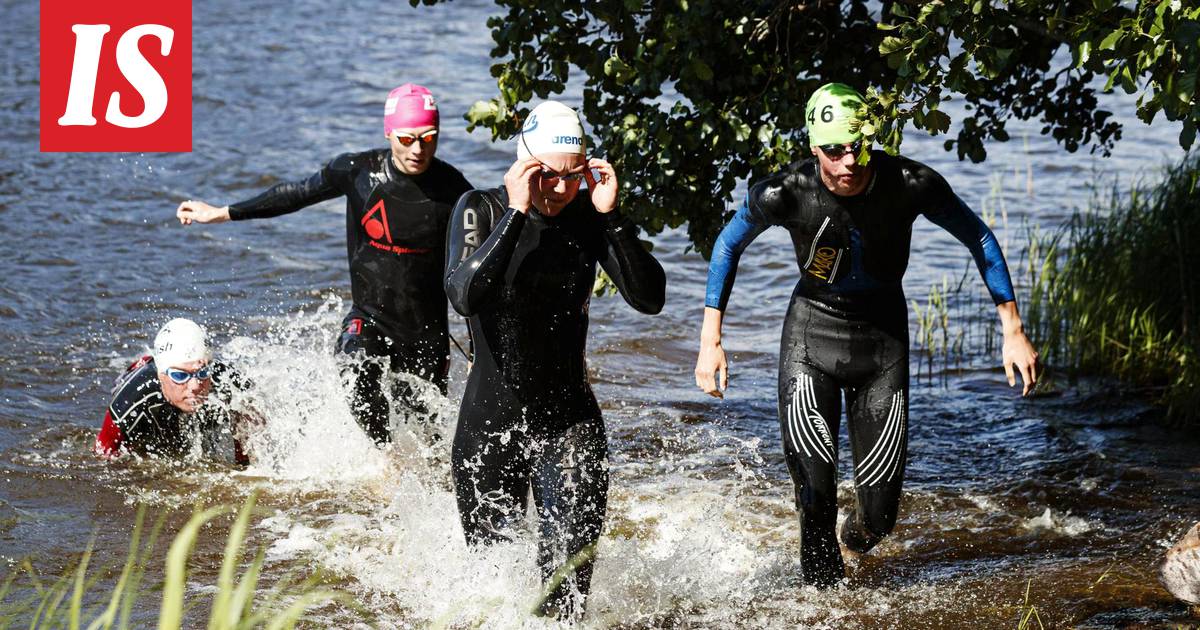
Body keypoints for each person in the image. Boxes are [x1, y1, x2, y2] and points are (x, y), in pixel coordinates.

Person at [694, 83, 1040, 587]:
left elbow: (979, 236)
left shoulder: (911, 184)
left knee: (879, 516)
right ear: (814, 149)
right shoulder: (784, 192)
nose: (849, 160)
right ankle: (823, 609)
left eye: (858, 145)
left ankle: (851, 545)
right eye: (834, 150)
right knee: (814, 499)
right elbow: (727, 246)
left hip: (883, 344)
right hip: (812, 338)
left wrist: (1013, 328)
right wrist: (711, 340)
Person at [444, 101, 666, 619]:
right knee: (490, 595)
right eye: (547, 176)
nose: (561, 190)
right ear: (523, 165)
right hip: (488, 425)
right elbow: (463, 294)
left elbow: (650, 297)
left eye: (574, 177)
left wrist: (612, 218)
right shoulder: (481, 209)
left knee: (566, 592)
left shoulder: (589, 219)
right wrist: (518, 212)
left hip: (568, 422)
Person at [174, 84, 473, 444]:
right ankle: (385, 465)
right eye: (407, 138)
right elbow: (297, 193)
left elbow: (474, 273)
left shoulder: (454, 190)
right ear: (389, 132)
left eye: (428, 138)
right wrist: (222, 213)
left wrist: (477, 348)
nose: (418, 149)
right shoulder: (357, 171)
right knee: (355, 372)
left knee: (430, 440)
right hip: (371, 319)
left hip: (427, 337)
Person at [94, 318, 256, 463]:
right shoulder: (134, 396)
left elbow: (248, 446)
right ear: (162, 375)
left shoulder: (227, 382)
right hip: (148, 399)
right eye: (180, 375)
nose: (195, 386)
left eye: (202, 373)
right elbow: (102, 455)